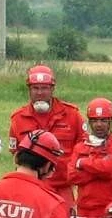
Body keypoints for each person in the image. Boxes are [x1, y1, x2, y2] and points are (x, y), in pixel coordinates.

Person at [8, 64, 83, 208]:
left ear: (52, 89)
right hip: (30, 187)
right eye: (35, 88)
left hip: (62, 188)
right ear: (29, 90)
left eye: (44, 88)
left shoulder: (72, 115)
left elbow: (83, 148)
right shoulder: (18, 118)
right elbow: (15, 153)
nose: (40, 93)